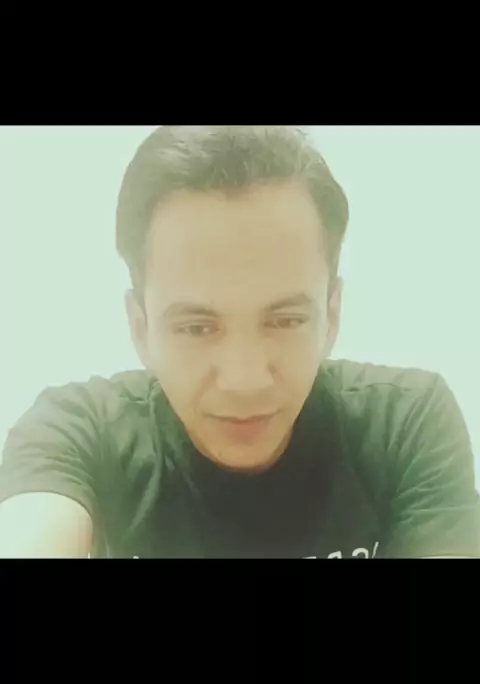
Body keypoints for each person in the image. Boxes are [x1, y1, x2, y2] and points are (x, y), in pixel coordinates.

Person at [0, 125, 478, 559]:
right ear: (140, 328)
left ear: (331, 316)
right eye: (196, 327)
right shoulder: (79, 432)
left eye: (286, 321)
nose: (244, 381)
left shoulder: (404, 426)